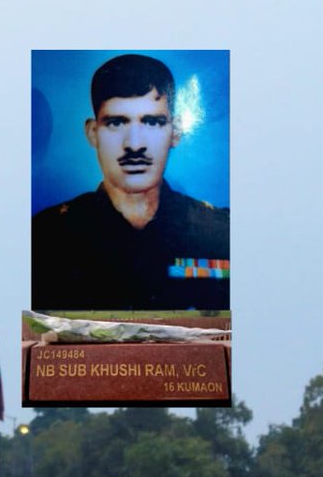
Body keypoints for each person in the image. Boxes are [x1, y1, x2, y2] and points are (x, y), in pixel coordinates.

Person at [32, 52, 229, 313]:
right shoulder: (44, 239)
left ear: (176, 132)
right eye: (116, 122)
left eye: (152, 122)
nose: (134, 144)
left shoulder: (220, 234)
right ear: (93, 133)